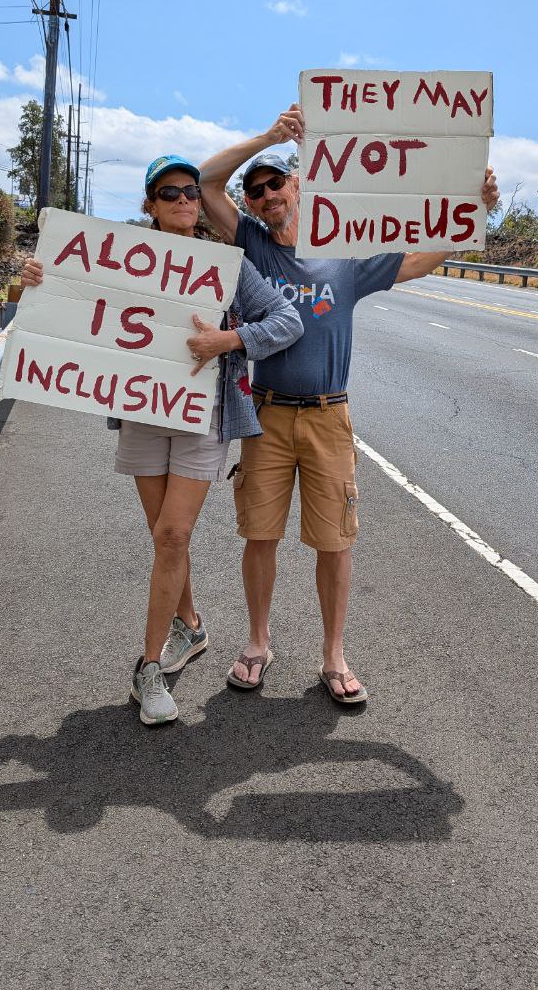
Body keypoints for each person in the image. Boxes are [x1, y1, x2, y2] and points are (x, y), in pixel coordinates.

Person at [198, 107, 499, 703]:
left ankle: (333, 656)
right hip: (265, 413)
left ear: (298, 185)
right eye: (256, 192)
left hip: (330, 416)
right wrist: (267, 137)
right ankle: (257, 644)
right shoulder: (250, 244)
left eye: (275, 182)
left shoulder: (343, 252)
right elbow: (207, 182)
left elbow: (415, 262)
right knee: (260, 535)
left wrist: (475, 211)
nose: (265, 196)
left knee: (335, 541)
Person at [21, 156, 303, 726]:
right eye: (169, 192)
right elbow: (69, 305)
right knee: (163, 537)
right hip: (143, 413)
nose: (183, 201)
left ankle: (147, 670)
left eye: (192, 193)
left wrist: (230, 339)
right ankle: (191, 627)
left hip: (201, 415)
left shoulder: (225, 265)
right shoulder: (119, 257)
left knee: (174, 533)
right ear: (149, 204)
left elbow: (287, 321)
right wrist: (34, 280)